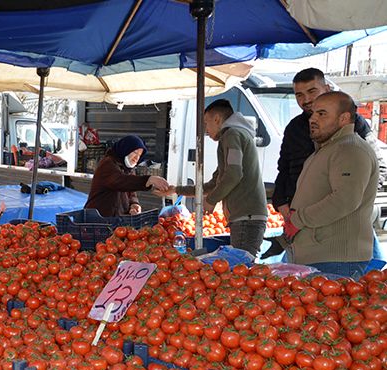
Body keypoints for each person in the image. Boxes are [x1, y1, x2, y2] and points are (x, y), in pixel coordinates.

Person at [267, 67, 386, 259]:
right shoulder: (295, 128)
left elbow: (371, 171)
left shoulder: (352, 127)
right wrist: (281, 201)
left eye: (312, 91)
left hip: (339, 226)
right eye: (299, 95)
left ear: (327, 89)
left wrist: (360, 196)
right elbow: (284, 168)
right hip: (302, 224)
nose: (306, 100)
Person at [284, 92, 379, 278]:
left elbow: (344, 200)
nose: (312, 119)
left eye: (322, 114)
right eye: (313, 113)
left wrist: (298, 219)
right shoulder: (329, 149)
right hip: (320, 256)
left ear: (343, 118)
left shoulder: (350, 149)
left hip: (337, 260)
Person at [172, 99, 268, 256]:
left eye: (206, 123)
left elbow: (234, 174)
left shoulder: (232, 135)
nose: (206, 129)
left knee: (242, 264)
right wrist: (176, 190)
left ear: (217, 119)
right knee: (242, 263)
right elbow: (214, 183)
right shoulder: (234, 135)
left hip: (246, 217)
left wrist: (211, 200)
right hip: (245, 216)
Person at [84, 135, 169, 217]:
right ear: (125, 149)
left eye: (139, 155)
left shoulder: (128, 168)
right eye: (135, 152)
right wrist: (148, 180)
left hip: (116, 219)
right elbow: (121, 182)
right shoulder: (108, 164)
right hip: (98, 217)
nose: (136, 158)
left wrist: (134, 204)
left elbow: (131, 191)